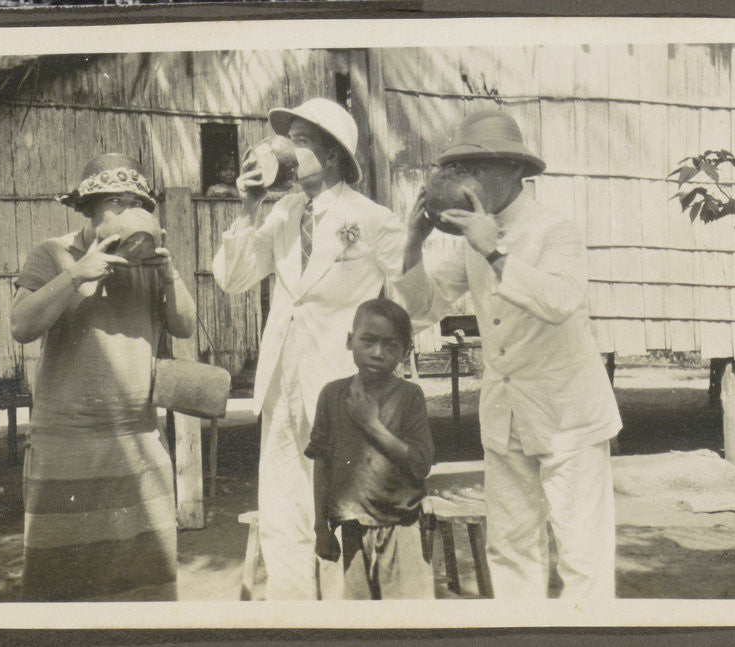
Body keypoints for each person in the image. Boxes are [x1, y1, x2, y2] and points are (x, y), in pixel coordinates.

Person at [392, 110, 621, 599]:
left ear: (515, 169)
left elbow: (559, 301)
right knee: (511, 549)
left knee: (583, 555)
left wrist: (495, 254)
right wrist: (413, 247)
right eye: (462, 170)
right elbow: (423, 308)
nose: (467, 180)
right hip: (506, 416)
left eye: (479, 168)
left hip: (568, 418)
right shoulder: (475, 237)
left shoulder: (555, 230)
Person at [212, 98, 405, 599]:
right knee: (282, 512)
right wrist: (249, 207)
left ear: (333, 154)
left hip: (341, 388)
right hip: (283, 385)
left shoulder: (372, 219)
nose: (285, 150)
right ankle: (293, 615)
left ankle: (346, 619)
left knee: (342, 511)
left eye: (299, 141)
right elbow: (232, 278)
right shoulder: (283, 213)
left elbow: (418, 296)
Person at [11, 153, 196, 601]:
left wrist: (170, 275)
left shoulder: (149, 264)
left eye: (137, 204)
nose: (129, 212)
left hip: (138, 439)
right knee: (63, 584)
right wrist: (75, 275)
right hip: (67, 443)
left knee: (144, 585)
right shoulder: (54, 253)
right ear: (89, 207)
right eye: (116, 202)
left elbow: (185, 327)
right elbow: (21, 325)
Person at [306, 298, 434, 600]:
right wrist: (321, 527)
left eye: (390, 345)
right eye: (368, 340)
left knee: (407, 617)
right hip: (351, 527)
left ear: (405, 351)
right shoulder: (332, 395)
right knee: (360, 615)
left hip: (401, 527)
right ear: (350, 341)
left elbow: (421, 463)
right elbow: (321, 463)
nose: (377, 352)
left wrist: (372, 424)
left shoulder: (409, 397)